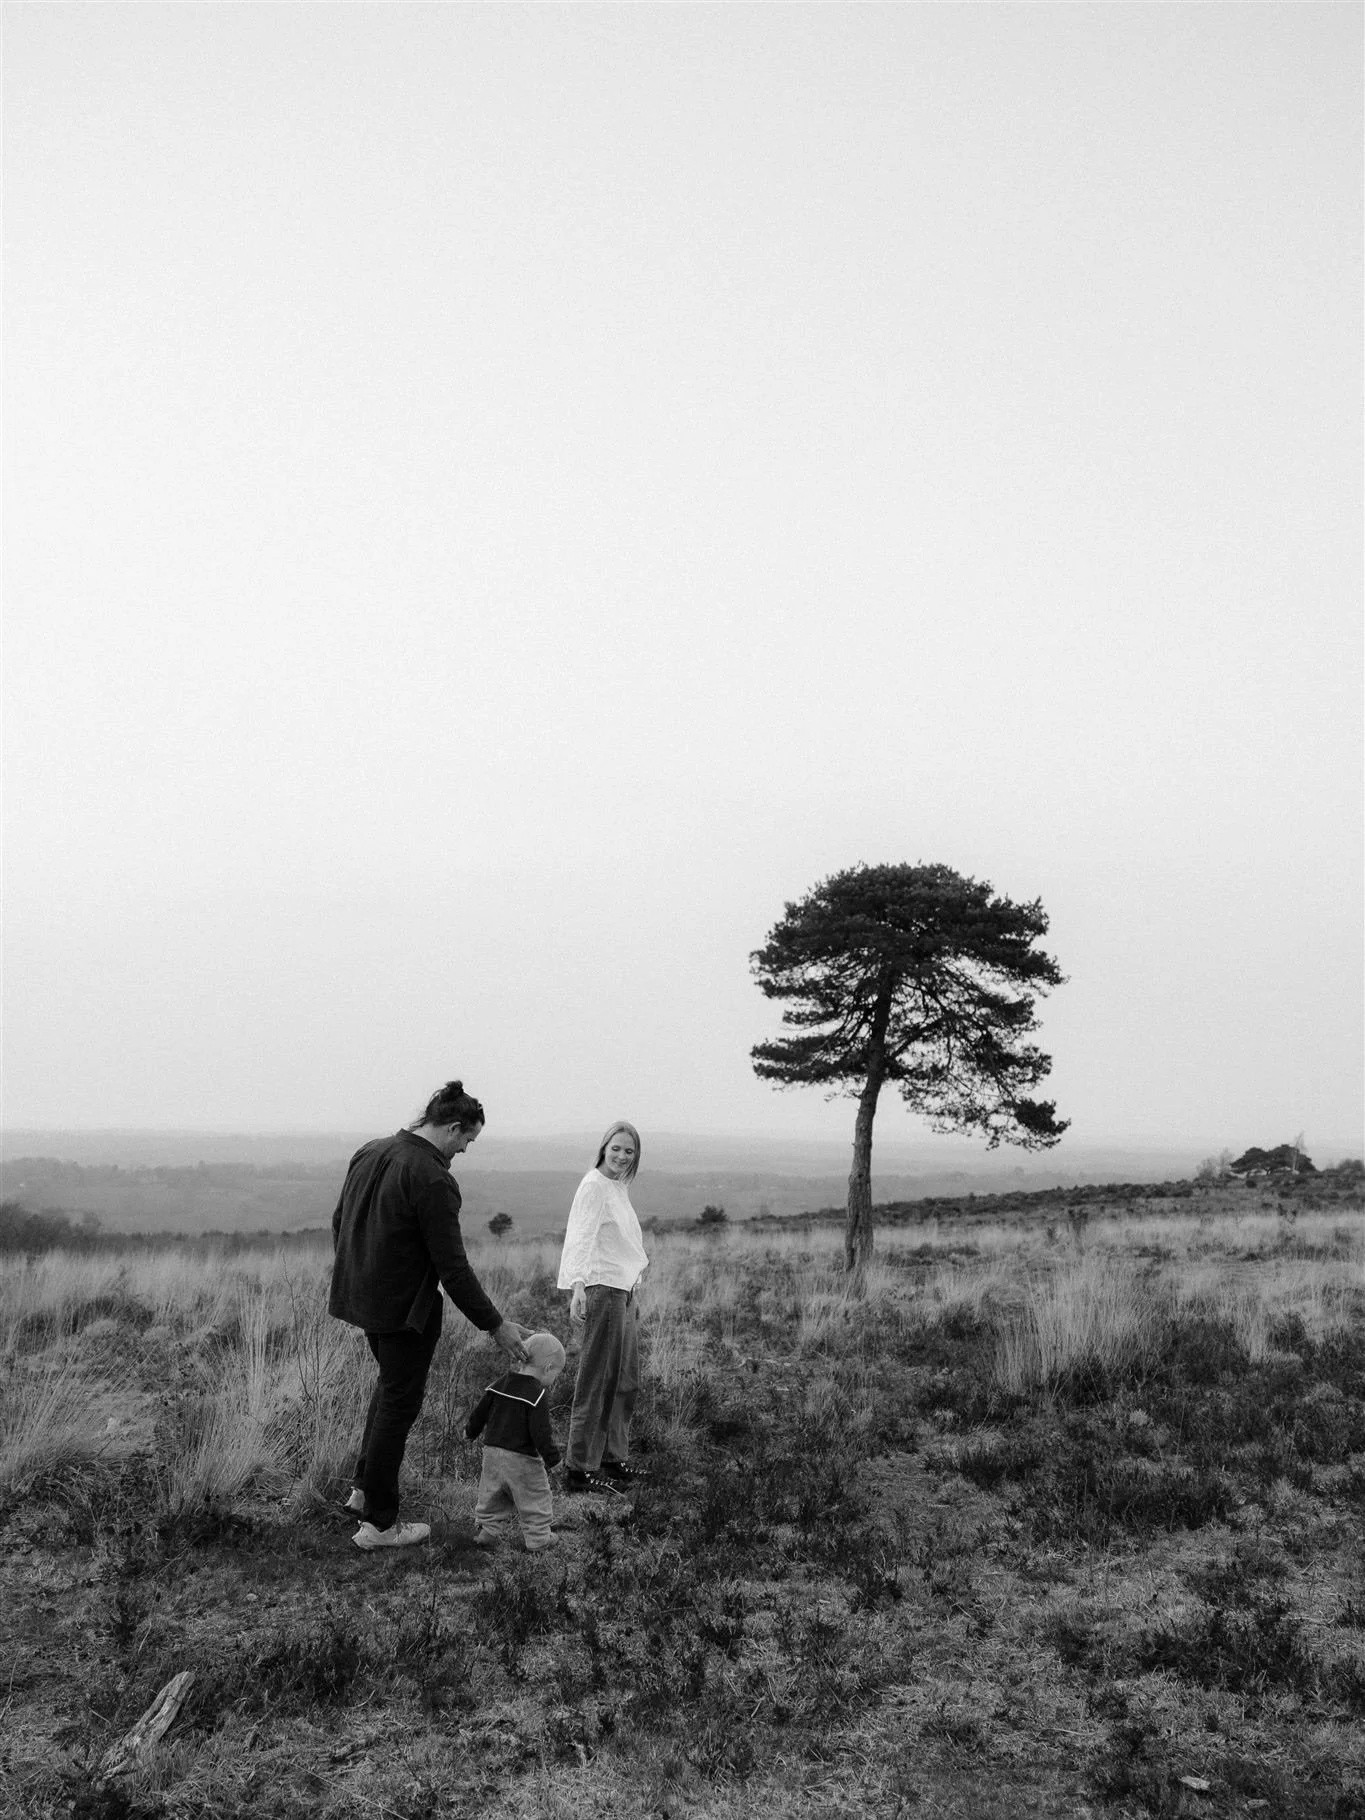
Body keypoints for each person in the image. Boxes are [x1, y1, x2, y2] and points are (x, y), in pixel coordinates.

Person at [330, 1079, 528, 1551]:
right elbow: (453, 1269)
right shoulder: (433, 1178)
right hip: (405, 1312)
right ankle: (380, 1524)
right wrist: (496, 1326)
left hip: (365, 1301)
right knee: (399, 1405)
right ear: (453, 1127)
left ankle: (363, 1491)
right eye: (467, 1140)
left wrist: (361, 1277)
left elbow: (340, 1222)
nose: (465, 1150)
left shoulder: (371, 1151)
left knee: (389, 1392)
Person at [557, 1120, 649, 1493]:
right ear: (604, 1147)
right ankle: (580, 1467)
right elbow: (580, 1235)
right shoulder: (594, 1185)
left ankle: (613, 1458)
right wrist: (577, 1285)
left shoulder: (618, 1186)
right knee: (598, 1379)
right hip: (603, 1289)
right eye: (617, 1148)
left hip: (624, 1290)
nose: (622, 1156)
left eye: (629, 1151)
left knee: (625, 1379)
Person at [465, 1331, 566, 1551]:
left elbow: (480, 1412)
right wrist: (554, 1460)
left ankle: (488, 1531)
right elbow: (541, 1432)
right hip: (522, 1460)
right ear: (548, 1368)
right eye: (556, 1374)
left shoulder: (500, 1383)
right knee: (535, 1496)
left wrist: (470, 1432)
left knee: (493, 1493)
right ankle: (539, 1537)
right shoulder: (537, 1394)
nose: (553, 1380)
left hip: (491, 1454)